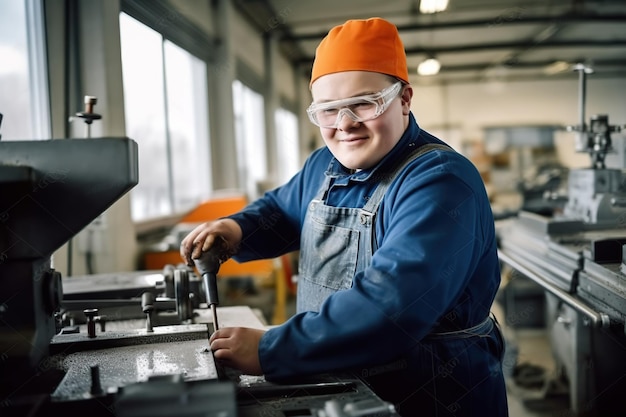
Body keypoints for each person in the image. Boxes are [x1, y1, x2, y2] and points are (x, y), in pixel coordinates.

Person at [180, 17, 508, 416]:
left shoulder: (439, 180)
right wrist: (234, 228)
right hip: (339, 382)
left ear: (404, 98)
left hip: (431, 393)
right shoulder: (324, 163)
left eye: (364, 103)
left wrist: (271, 349)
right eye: (328, 111)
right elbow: (281, 210)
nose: (345, 124)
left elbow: (392, 307)